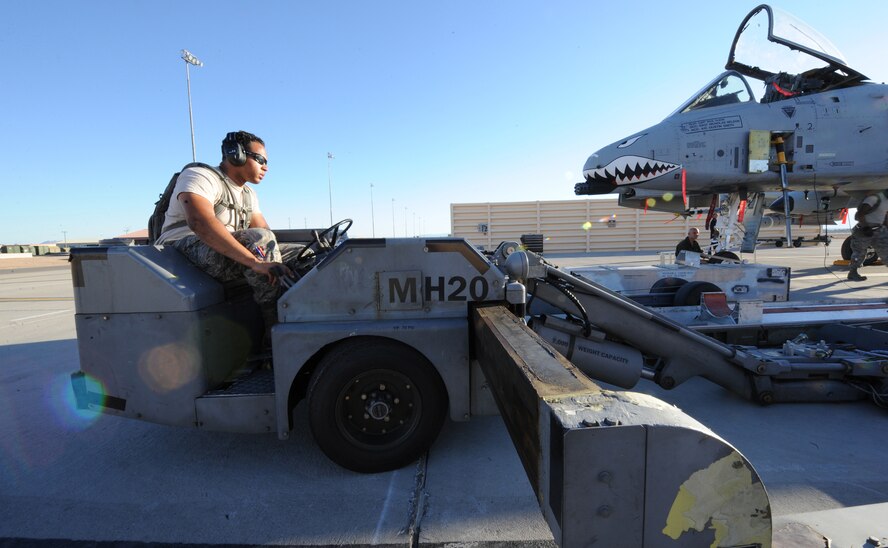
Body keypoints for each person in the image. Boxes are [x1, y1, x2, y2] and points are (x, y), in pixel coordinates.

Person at [156, 130, 294, 338]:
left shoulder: (248, 194)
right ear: (235, 154)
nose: (266, 166)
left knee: (306, 254)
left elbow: (267, 234)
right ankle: (275, 332)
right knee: (259, 241)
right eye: (260, 159)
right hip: (180, 251)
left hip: (224, 250)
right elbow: (200, 222)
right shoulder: (200, 175)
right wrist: (255, 262)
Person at [848, 189, 888, 282]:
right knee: (859, 253)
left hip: (878, 230)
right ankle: (853, 272)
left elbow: (884, 215)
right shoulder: (874, 198)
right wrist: (866, 227)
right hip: (864, 230)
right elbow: (861, 212)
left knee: (886, 251)